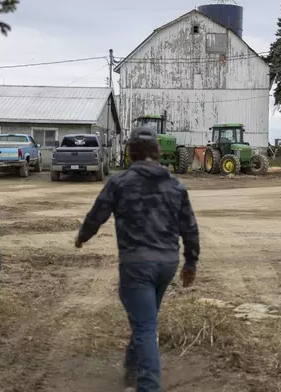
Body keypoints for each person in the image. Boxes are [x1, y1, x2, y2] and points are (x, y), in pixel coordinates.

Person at [74, 126, 200, 392]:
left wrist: (83, 237)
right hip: (167, 264)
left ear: (130, 153)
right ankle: (132, 369)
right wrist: (190, 263)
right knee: (146, 317)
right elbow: (189, 227)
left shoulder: (119, 182)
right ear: (157, 151)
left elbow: (98, 214)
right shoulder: (175, 185)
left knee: (144, 325)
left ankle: (148, 386)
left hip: (136, 265)